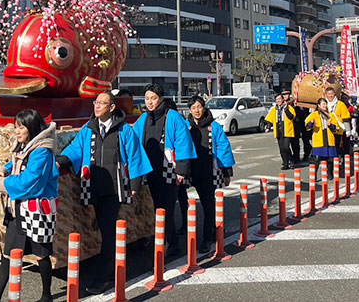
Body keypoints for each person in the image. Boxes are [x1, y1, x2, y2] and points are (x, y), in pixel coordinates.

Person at [57, 92, 151, 295]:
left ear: (112, 108)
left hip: (114, 190)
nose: (97, 106)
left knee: (108, 233)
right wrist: (60, 161)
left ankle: (104, 276)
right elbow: (75, 149)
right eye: (96, 102)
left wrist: (135, 184)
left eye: (102, 103)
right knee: (103, 230)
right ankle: (112, 267)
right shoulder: (88, 129)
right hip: (93, 186)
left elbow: (134, 155)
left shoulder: (124, 130)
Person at [0, 110, 58, 302]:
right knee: (8, 255)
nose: (17, 130)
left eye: (21, 126)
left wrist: (2, 184)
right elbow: (17, 163)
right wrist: (5, 168)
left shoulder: (43, 151)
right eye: (16, 126)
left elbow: (30, 182)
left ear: (32, 127)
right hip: (17, 208)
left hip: (37, 209)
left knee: (41, 255)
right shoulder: (25, 146)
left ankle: (46, 295)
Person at [133, 83, 196, 257]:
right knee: (156, 209)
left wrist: (182, 172)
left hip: (169, 170)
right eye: (147, 98)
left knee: (165, 208)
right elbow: (133, 140)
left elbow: (183, 143)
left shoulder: (173, 117)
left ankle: (171, 243)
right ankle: (166, 239)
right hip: (149, 170)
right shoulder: (143, 119)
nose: (150, 102)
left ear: (161, 99)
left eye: (153, 98)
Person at [179, 95, 235, 253]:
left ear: (204, 107)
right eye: (193, 108)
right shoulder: (185, 126)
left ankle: (207, 239)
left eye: (199, 107)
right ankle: (197, 229)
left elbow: (224, 148)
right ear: (189, 110)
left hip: (208, 171)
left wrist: (227, 172)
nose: (197, 110)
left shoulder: (214, 127)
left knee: (208, 205)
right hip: (189, 170)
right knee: (183, 200)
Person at [305, 98, 342, 179]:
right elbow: (307, 125)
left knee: (330, 158)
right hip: (319, 138)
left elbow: (336, 127)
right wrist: (311, 123)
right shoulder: (314, 114)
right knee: (317, 159)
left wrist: (331, 125)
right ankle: (313, 175)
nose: (324, 106)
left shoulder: (331, 115)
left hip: (329, 138)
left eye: (325, 104)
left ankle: (329, 173)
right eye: (323, 104)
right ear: (318, 105)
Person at [264, 95, 298, 170]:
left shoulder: (289, 107)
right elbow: (270, 119)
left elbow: (292, 117)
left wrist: (286, 109)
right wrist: (268, 127)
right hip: (278, 130)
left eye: (279, 99)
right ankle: (285, 163)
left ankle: (291, 160)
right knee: (281, 149)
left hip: (287, 130)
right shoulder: (275, 109)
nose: (278, 101)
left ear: (283, 99)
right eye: (276, 99)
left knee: (286, 147)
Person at [326, 88, 353, 170]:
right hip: (326, 130)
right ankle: (329, 167)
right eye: (329, 94)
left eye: (332, 94)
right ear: (326, 95)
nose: (330, 96)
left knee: (336, 148)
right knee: (328, 148)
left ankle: (336, 164)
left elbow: (346, 118)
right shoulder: (323, 104)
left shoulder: (340, 104)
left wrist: (348, 130)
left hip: (337, 130)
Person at [282, 90, 302, 160]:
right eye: (283, 95)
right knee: (286, 145)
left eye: (286, 94)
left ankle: (296, 158)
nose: (285, 96)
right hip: (287, 126)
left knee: (295, 143)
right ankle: (290, 159)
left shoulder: (294, 103)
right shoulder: (283, 103)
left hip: (295, 125)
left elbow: (298, 113)